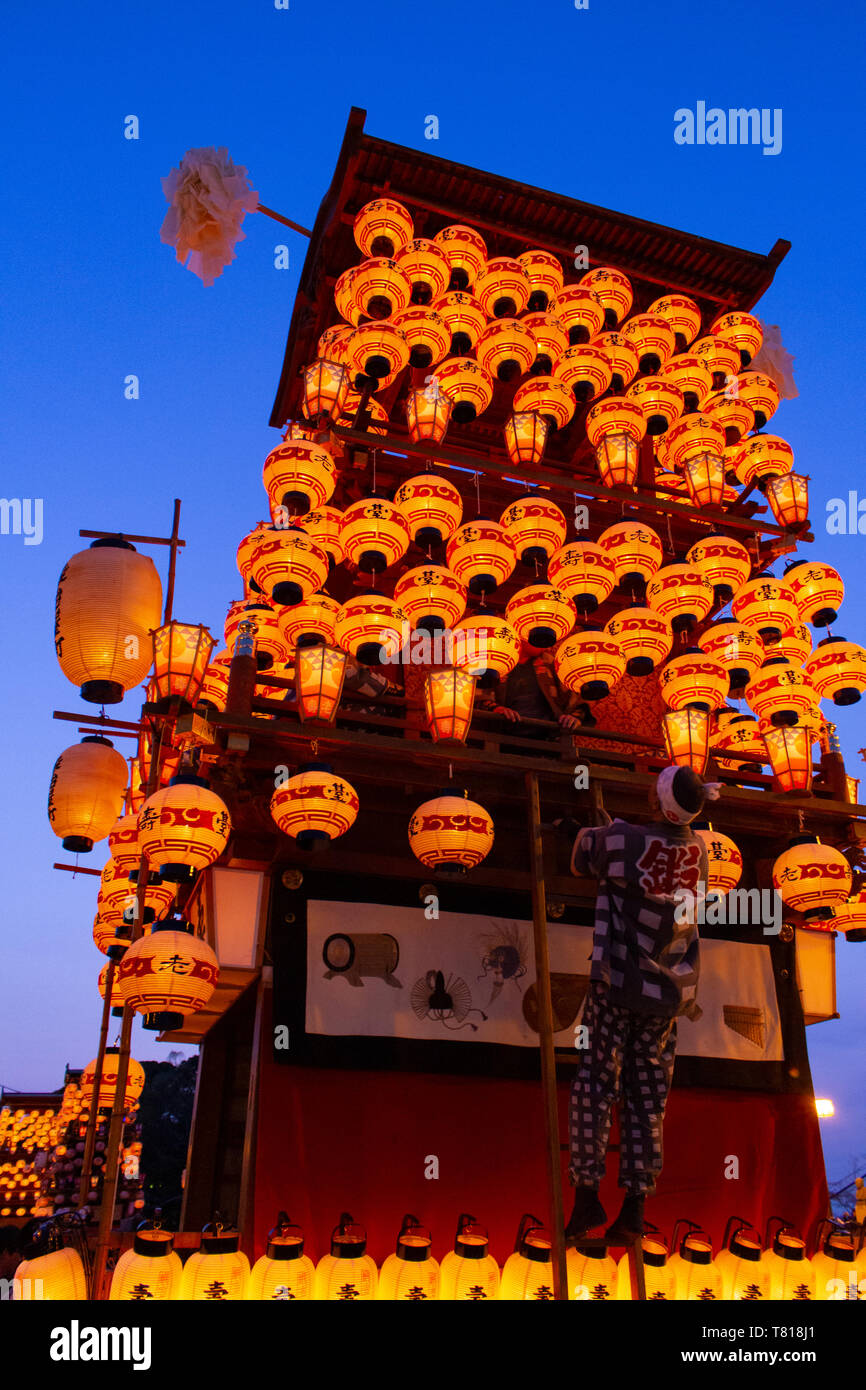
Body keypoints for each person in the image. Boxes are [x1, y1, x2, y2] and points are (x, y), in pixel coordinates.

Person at [564, 764, 719, 1244]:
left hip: (617, 984)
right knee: (648, 1099)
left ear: (656, 802)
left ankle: (587, 1196)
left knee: (595, 1083)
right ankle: (634, 1206)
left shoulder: (619, 840)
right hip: (666, 995)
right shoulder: (699, 851)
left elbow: (582, 853)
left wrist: (587, 829)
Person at [477, 639, 588, 736]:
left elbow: (577, 701)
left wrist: (575, 717)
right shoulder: (496, 661)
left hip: (548, 736)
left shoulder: (551, 663)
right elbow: (478, 696)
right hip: (502, 733)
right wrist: (497, 708)